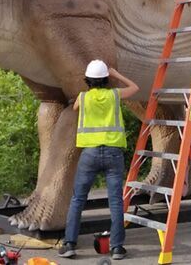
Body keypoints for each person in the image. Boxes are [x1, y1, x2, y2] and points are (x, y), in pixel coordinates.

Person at [59, 60, 139, 260]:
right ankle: (117, 248)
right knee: (115, 202)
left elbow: (76, 107)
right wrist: (116, 75)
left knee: (78, 199)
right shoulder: (114, 95)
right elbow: (135, 88)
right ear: (106, 79)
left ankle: (69, 244)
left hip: (90, 154)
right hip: (113, 153)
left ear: (87, 80)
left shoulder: (83, 98)